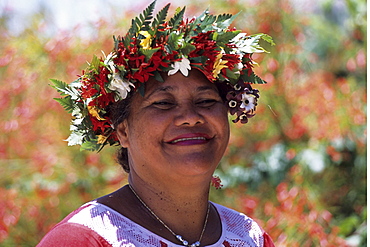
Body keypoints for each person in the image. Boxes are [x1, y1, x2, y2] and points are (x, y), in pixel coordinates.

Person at [38, 1, 275, 246]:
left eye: (205, 100)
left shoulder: (249, 237)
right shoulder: (82, 239)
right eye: (163, 103)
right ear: (123, 131)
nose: (190, 117)